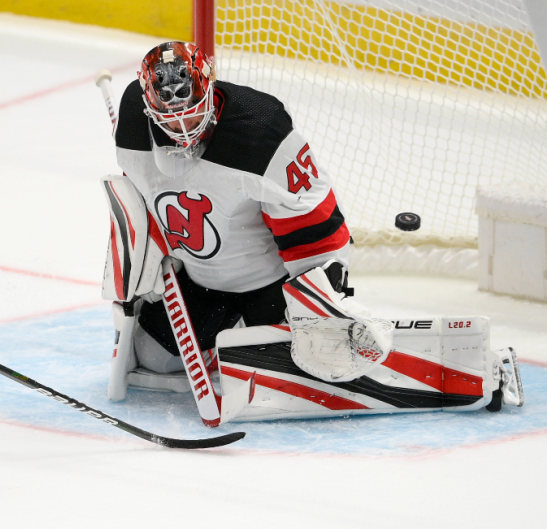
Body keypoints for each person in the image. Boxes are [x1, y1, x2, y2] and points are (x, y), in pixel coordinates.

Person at [101, 42, 523, 422]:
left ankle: (481, 368)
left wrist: (318, 297)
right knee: (154, 361)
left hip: (274, 283)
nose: (182, 128)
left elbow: (314, 219)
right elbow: (145, 205)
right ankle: (233, 345)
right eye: (169, 118)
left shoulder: (258, 129)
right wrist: (152, 262)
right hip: (201, 280)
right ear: (148, 106)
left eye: (191, 112)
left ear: (210, 90)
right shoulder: (134, 126)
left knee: (324, 362)